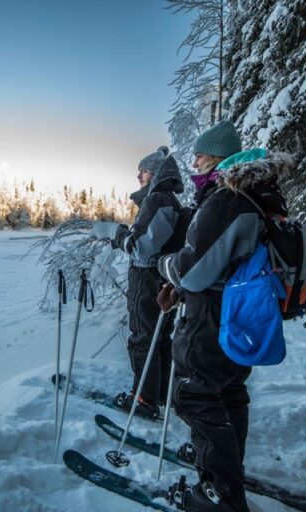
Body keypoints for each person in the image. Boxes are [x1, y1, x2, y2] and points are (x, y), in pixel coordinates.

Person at [157, 122, 293, 512]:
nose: (194, 160)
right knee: (227, 390)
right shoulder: (253, 194)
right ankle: (225, 467)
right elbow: (225, 259)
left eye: (200, 154)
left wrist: (168, 267)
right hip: (238, 312)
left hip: (213, 317)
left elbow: (194, 268)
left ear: (218, 157)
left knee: (194, 394)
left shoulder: (228, 197)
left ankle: (219, 494)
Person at [92, 146, 184, 420]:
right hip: (162, 281)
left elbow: (141, 247)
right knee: (158, 339)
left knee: (143, 338)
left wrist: (115, 233)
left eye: (142, 171)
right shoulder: (165, 200)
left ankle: (144, 400)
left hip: (148, 279)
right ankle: (161, 396)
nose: (138, 177)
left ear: (155, 172)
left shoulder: (158, 200)